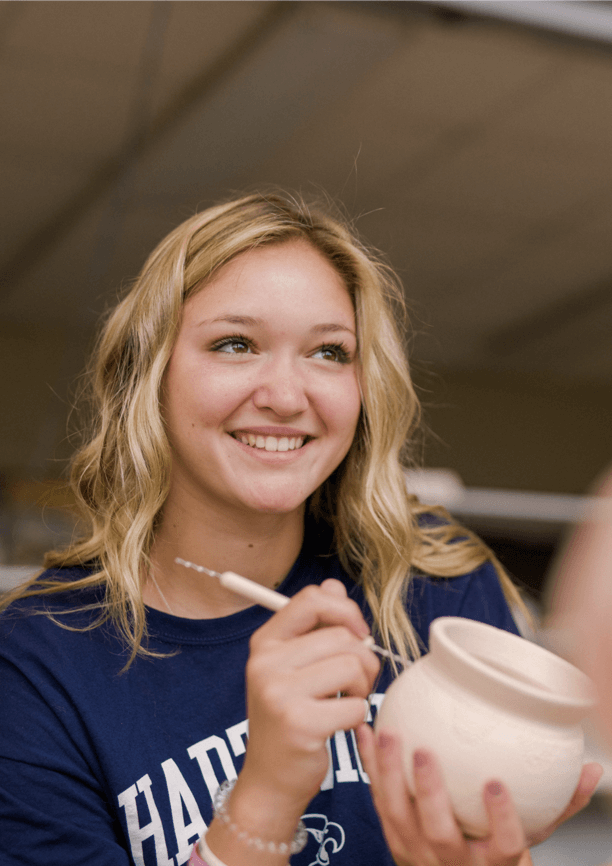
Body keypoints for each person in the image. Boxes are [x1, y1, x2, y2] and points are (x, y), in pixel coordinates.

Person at [0, 192, 601, 866]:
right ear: (149, 374)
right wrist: (265, 796)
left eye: (328, 353)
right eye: (236, 344)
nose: (287, 398)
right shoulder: (33, 663)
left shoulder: (433, 580)